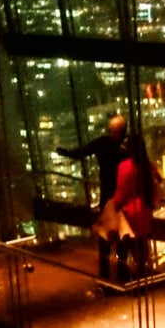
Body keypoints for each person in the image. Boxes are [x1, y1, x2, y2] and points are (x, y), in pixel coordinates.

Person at [56, 113, 128, 279]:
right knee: (123, 236)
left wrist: (64, 153)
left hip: (107, 197)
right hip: (123, 197)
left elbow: (81, 152)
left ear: (111, 130)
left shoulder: (102, 143)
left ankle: (105, 276)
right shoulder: (127, 147)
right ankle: (122, 275)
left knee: (105, 237)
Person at [110, 132, 162, 282]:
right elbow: (159, 180)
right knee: (141, 250)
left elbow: (121, 193)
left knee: (125, 250)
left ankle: (127, 281)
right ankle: (143, 279)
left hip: (128, 213)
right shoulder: (148, 165)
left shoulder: (125, 166)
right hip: (144, 211)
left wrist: (114, 206)